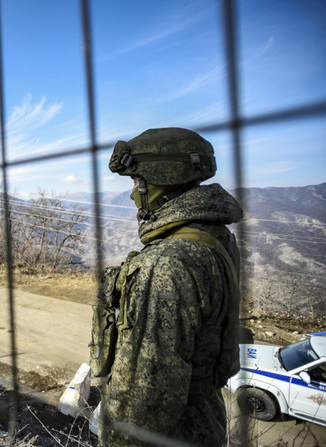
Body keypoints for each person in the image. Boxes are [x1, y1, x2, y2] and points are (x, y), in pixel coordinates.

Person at [93, 128, 242, 446]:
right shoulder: (216, 238)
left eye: (135, 182)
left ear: (159, 180)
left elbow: (145, 402)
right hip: (206, 423)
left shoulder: (166, 263)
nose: (133, 192)